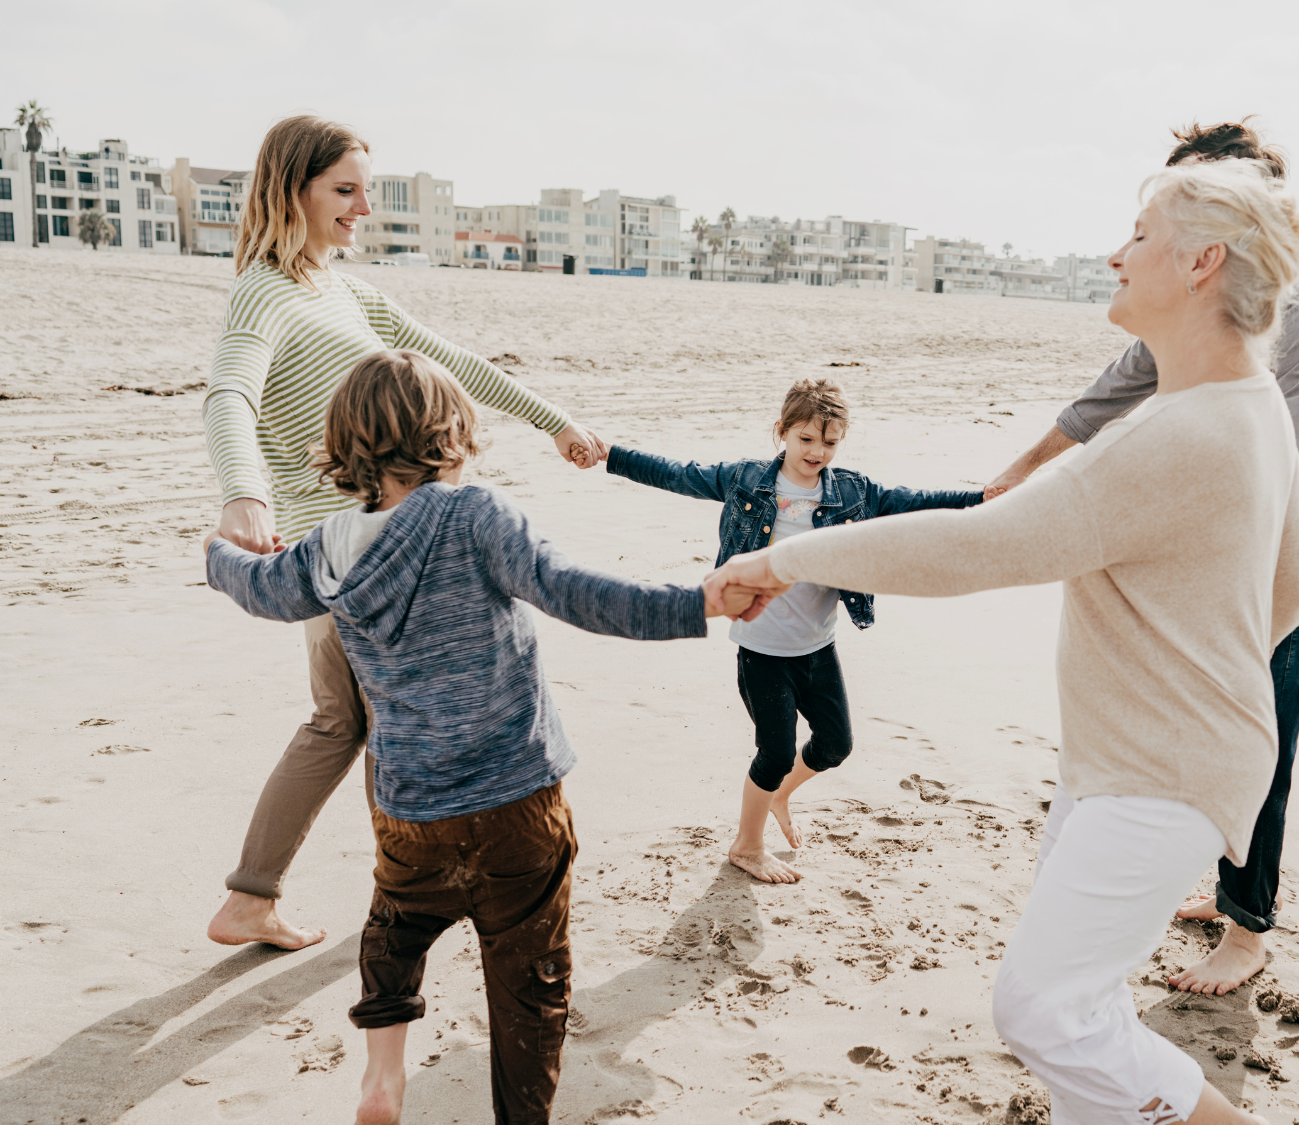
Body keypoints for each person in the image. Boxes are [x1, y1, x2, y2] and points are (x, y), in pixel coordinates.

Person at [712, 158, 1299, 1125]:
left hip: (1163, 774)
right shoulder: (1251, 405)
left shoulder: (1181, 431)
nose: (1115, 254)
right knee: (1088, 999)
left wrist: (783, 561)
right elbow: (1293, 591)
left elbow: (978, 545)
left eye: (1139, 235)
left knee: (1042, 1011)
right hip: (1143, 760)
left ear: (1203, 261)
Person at [203, 350, 750, 1125]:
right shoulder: (475, 516)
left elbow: (260, 589)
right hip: (517, 803)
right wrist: (696, 603)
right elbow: (577, 593)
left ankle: (383, 1074)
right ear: (451, 436)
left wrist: (217, 556)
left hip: (410, 809)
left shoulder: (327, 546)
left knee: (395, 927)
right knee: (531, 988)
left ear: (348, 442)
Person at [201, 115, 608, 952]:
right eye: (344, 191)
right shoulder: (264, 289)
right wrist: (243, 494)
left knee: (359, 719)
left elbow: (452, 361)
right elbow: (229, 394)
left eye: (367, 192)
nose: (362, 210)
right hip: (345, 552)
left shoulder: (343, 290)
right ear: (293, 190)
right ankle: (353, 894)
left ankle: (327, 891)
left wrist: (554, 421)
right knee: (351, 721)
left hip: (383, 543)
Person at [985, 119, 1299, 996]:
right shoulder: (1197, 302)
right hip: (1214, 561)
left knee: (1263, 741)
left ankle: (1249, 926)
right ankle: (1217, 882)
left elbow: (1276, 457)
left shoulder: (1294, 303)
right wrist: (1025, 468)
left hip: (1280, 565)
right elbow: (1119, 383)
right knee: (1191, 735)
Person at [599, 379, 982, 883]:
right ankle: (747, 844)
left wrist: (981, 497)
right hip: (761, 648)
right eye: (806, 439)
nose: (817, 452)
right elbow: (677, 474)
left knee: (834, 746)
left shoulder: (852, 492)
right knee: (776, 751)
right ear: (782, 432)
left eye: (829, 442)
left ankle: (777, 794)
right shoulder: (745, 480)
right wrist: (610, 455)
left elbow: (913, 501)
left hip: (818, 647)